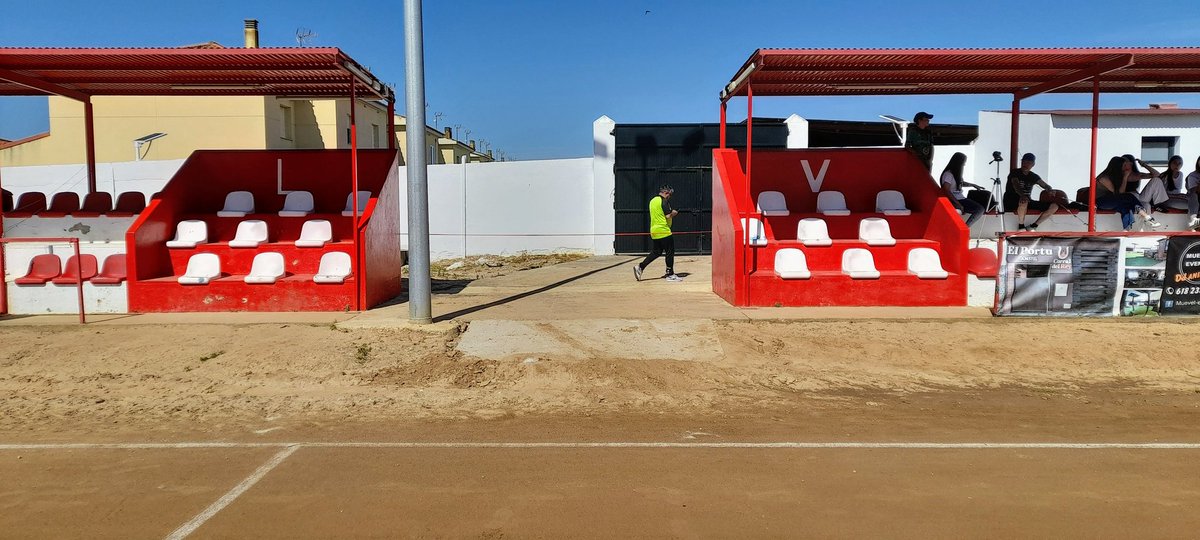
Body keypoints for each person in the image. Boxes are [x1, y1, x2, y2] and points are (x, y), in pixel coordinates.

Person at [1095, 156, 1162, 231]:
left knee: (1126, 207)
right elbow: (1120, 194)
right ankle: (1147, 217)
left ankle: (1127, 230)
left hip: (1111, 200)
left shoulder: (1116, 176)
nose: (1126, 167)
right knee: (1128, 196)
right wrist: (1125, 177)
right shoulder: (1104, 178)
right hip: (1101, 202)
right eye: (1124, 165)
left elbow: (1157, 175)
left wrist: (1144, 165)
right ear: (1117, 166)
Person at [634, 185, 682, 282]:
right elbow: (668, 215)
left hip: (654, 230)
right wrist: (675, 212)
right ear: (666, 193)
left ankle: (640, 267)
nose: (670, 197)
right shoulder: (663, 201)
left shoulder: (652, 201)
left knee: (656, 252)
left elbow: (659, 213)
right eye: (670, 195)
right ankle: (670, 274)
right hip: (664, 230)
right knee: (669, 252)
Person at [1004, 153, 1059, 231]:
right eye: (1024, 161)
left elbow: (1045, 185)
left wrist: (1049, 190)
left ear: (1033, 164)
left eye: (1028, 162)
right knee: (1024, 201)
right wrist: (1022, 195)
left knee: (1054, 206)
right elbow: (1015, 184)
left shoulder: (1033, 176)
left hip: (1026, 200)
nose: (1025, 164)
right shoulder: (1015, 172)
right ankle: (1021, 225)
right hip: (1011, 201)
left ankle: (1034, 226)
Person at [939, 152, 986, 227]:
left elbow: (960, 183)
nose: (964, 165)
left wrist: (973, 185)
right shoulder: (948, 174)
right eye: (963, 162)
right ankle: (965, 228)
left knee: (980, 209)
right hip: (954, 200)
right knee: (978, 209)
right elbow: (946, 190)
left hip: (960, 199)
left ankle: (965, 227)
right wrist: (958, 204)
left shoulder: (955, 174)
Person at [1186, 156, 1200, 230]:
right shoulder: (1193, 175)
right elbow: (1194, 190)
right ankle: (1193, 222)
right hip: (1196, 197)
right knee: (1194, 195)